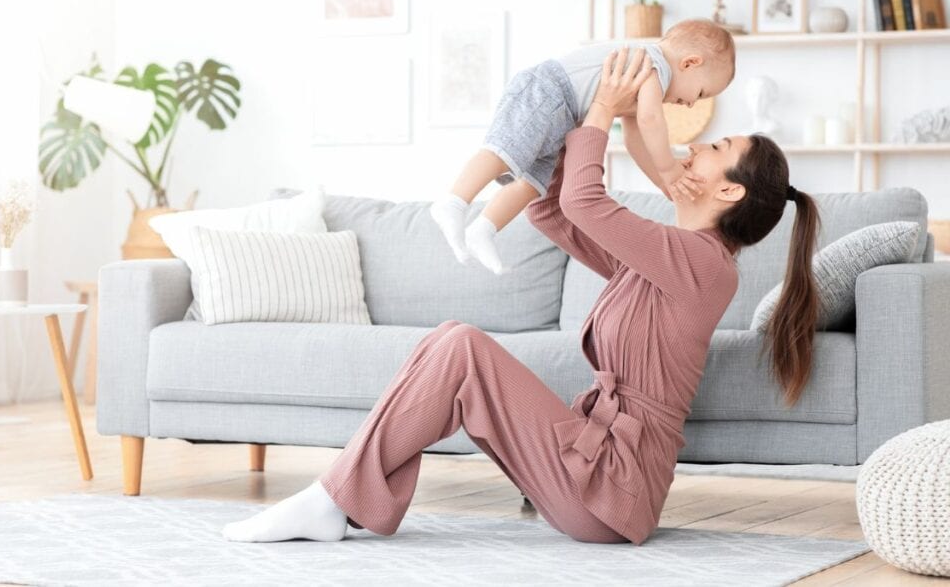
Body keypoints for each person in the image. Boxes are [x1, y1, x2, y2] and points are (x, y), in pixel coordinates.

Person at [221, 47, 820, 546]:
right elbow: (557, 213)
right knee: (446, 343)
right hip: (592, 469)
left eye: (714, 150)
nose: (693, 148)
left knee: (462, 347)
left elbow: (588, 203)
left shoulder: (704, 266)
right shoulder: (661, 257)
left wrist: (604, 115)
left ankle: (332, 499)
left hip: (612, 489)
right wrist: (560, 125)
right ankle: (339, 497)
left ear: (730, 192)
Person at [429, 18, 736, 274]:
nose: (692, 103)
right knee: (504, 153)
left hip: (566, 116)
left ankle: (484, 228)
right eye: (701, 92)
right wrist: (669, 167)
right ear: (690, 63)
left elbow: (634, 139)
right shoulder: (652, 64)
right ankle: (454, 202)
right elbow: (651, 121)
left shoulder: (643, 82)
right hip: (548, 90)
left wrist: (664, 185)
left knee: (533, 184)